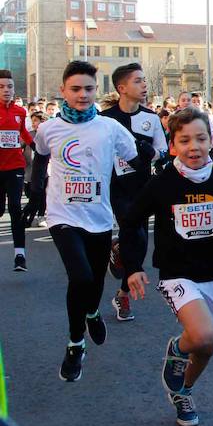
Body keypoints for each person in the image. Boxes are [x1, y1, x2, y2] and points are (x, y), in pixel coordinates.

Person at [116, 107, 213, 426]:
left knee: (207, 346)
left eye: (201, 138)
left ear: (210, 140)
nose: (194, 147)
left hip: (212, 274)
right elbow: (131, 222)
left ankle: (183, 391)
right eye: (184, 140)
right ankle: (176, 348)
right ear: (172, 145)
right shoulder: (163, 184)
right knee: (199, 335)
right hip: (177, 274)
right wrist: (132, 266)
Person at [31, 61, 149, 382]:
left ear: (96, 91)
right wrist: (35, 182)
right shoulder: (49, 128)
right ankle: (75, 343)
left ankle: (93, 311)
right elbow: (40, 154)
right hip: (62, 216)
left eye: (88, 89)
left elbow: (136, 162)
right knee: (80, 276)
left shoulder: (110, 129)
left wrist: (149, 158)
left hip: (98, 218)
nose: (82, 95)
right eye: (76, 89)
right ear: (63, 92)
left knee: (95, 281)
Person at [101, 63, 168, 322]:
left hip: (143, 186)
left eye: (144, 81)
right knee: (133, 230)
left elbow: (162, 152)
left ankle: (122, 290)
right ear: (122, 88)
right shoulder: (105, 120)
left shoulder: (151, 118)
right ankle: (127, 284)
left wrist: (152, 153)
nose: (144, 85)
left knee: (138, 238)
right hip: (116, 186)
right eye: (138, 81)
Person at [0, 70, 33, 272]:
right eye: (1, 87)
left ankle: (20, 255)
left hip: (15, 167)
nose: (6, 90)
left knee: (15, 208)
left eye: (10, 86)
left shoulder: (20, 112)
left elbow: (24, 134)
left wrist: (38, 146)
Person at [21, 111, 48, 229]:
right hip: (29, 172)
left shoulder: (49, 134)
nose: (34, 124)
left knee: (41, 197)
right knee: (31, 196)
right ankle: (27, 216)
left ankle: (40, 216)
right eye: (33, 121)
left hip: (45, 173)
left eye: (36, 121)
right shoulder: (29, 135)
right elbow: (19, 147)